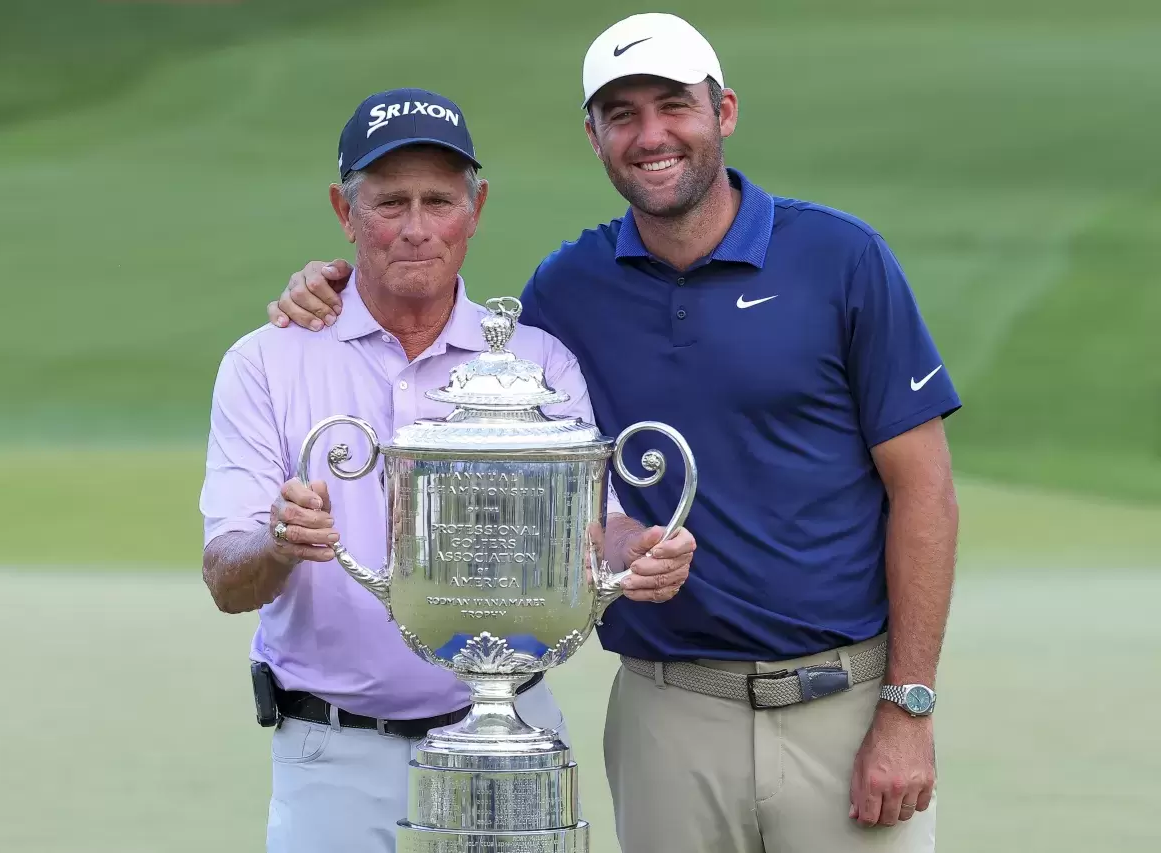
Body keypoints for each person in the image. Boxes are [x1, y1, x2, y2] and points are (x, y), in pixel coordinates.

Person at [264, 13, 961, 853]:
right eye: (622, 114)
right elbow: (447, 302)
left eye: (675, 106)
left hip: (843, 705)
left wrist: (908, 704)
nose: (652, 134)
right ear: (593, 136)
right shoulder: (570, 289)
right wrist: (329, 284)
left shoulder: (842, 259)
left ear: (724, 112)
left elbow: (923, 487)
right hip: (667, 713)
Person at [198, 86, 697, 853]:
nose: (417, 228)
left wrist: (640, 552)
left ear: (476, 207)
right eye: (389, 203)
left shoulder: (537, 359)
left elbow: (596, 527)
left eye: (439, 200)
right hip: (334, 754)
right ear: (344, 210)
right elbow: (227, 576)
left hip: (515, 733)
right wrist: (279, 542)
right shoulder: (266, 363)